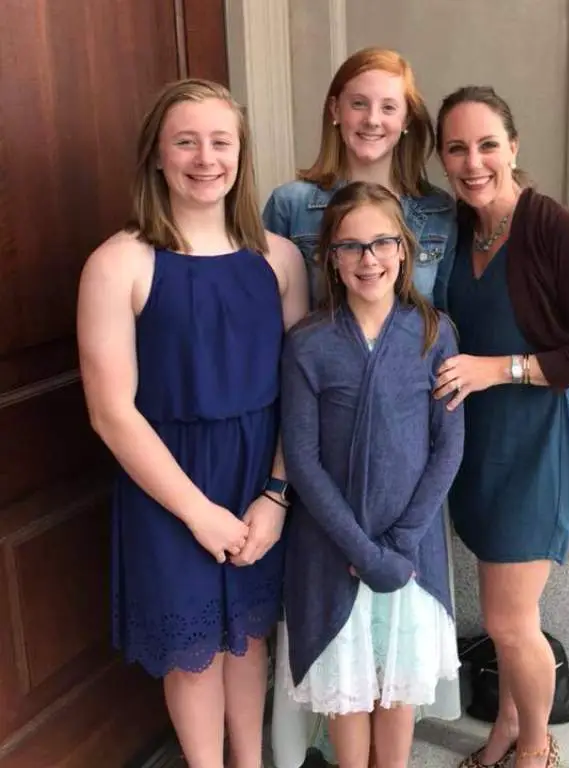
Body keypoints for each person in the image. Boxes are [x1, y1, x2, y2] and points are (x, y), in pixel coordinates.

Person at [77, 78, 308, 768]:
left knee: (249, 637)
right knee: (195, 653)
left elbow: (300, 394)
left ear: (240, 154)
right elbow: (111, 412)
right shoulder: (118, 262)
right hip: (167, 485)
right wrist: (198, 512)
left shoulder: (280, 258)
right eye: (186, 141)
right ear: (157, 155)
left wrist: (275, 495)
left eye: (220, 141)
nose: (205, 158)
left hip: (260, 472)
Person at [433, 86, 569, 768]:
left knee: (510, 622)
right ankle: (506, 728)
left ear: (514, 146)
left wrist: (498, 370)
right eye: (456, 147)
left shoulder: (557, 232)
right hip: (477, 449)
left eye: (487, 144)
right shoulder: (454, 230)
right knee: (509, 620)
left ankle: (536, 751)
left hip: (538, 445)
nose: (473, 160)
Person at [276, 182, 464, 768]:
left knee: (397, 684)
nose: (368, 258)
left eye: (382, 242)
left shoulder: (434, 332)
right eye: (351, 246)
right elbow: (302, 459)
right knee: (350, 690)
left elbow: (448, 447)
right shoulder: (308, 343)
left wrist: (399, 546)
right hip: (335, 549)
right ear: (329, 257)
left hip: (409, 548)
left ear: (404, 250)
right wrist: (361, 548)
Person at [262, 46, 456, 310]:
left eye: (388, 107)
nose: (372, 120)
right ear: (335, 110)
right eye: (358, 104)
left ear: (406, 119)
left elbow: (446, 317)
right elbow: (265, 314)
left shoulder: (439, 209)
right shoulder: (289, 206)